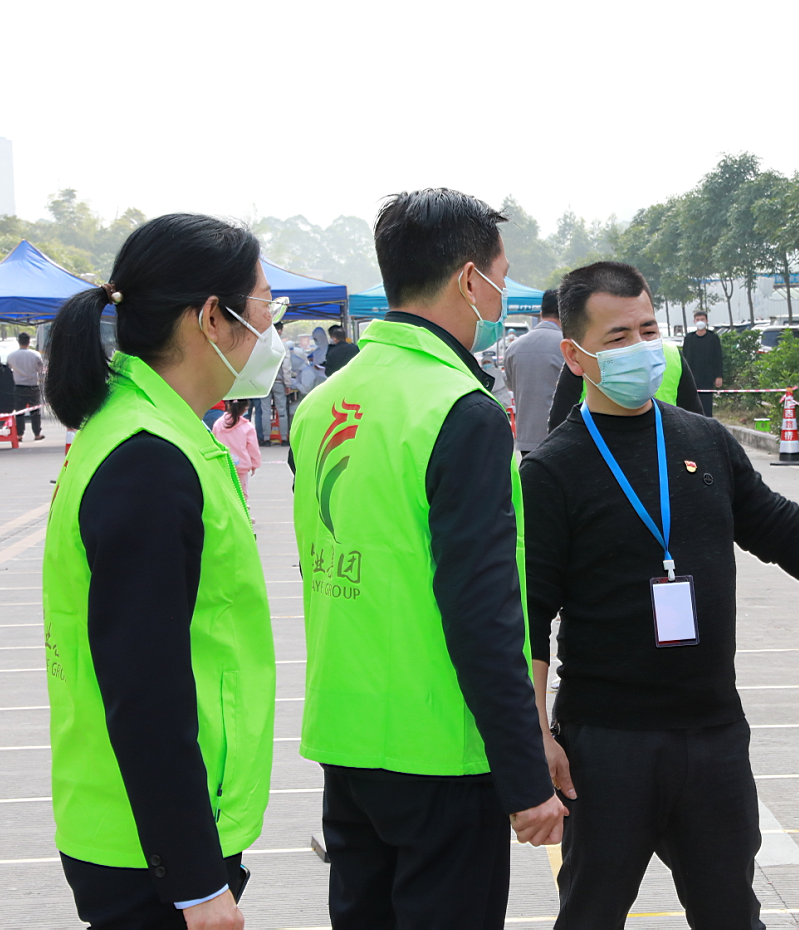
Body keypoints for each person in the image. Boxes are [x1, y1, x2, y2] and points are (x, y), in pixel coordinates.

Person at [520, 261, 799, 929]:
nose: (641, 349)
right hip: (607, 743)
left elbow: (785, 534)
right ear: (575, 355)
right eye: (618, 338)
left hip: (712, 734)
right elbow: (531, 614)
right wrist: (537, 734)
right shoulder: (551, 470)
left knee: (731, 914)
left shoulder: (703, 440)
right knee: (591, 914)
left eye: (648, 330)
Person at [289, 188, 564, 929]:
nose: (501, 293)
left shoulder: (324, 402)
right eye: (499, 276)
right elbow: (482, 611)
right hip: (440, 750)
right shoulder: (460, 410)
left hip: (347, 738)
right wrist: (524, 777)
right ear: (470, 280)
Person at [41, 214, 284, 930]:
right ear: (211, 317)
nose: (270, 329)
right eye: (264, 305)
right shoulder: (148, 457)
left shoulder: (151, 430)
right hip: (151, 852)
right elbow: (145, 689)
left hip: (145, 832)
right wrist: (195, 882)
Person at [546, 324, 702, 433]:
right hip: (665, 450)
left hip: (665, 453)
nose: (639, 344)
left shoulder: (588, 355)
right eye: (618, 338)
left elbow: (557, 423)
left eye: (648, 332)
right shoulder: (671, 353)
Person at [502, 289, 565, 454]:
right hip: (560, 437)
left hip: (526, 439)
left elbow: (511, 384)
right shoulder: (569, 348)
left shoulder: (514, 347)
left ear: (541, 313)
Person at [212, 398, 261, 501]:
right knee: (242, 492)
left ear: (228, 405)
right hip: (241, 465)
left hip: (223, 464)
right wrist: (255, 464)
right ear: (245, 409)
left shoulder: (218, 424)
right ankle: (242, 509)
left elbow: (214, 443)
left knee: (225, 491)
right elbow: (253, 448)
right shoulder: (247, 427)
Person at [254, 321, 293, 446]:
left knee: (265, 411)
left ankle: (266, 439)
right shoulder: (283, 345)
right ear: (280, 331)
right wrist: (288, 383)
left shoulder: (261, 344)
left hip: (264, 382)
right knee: (281, 411)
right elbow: (286, 366)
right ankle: (284, 438)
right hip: (278, 382)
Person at [680, 310, 723, 417]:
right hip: (691, 378)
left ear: (706, 321)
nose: (700, 321)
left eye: (702, 319)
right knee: (691, 407)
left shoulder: (713, 338)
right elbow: (684, 358)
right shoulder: (689, 338)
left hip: (707, 378)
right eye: (698, 319)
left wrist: (719, 376)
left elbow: (718, 358)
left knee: (706, 407)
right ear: (694, 321)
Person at [7, 331, 45, 440]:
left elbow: (9, 367)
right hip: (33, 386)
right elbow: (40, 369)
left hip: (19, 386)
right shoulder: (35, 355)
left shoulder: (11, 356)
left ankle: (19, 434)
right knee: (35, 412)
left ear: (18, 341)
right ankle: (37, 434)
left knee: (19, 412)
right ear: (29, 342)